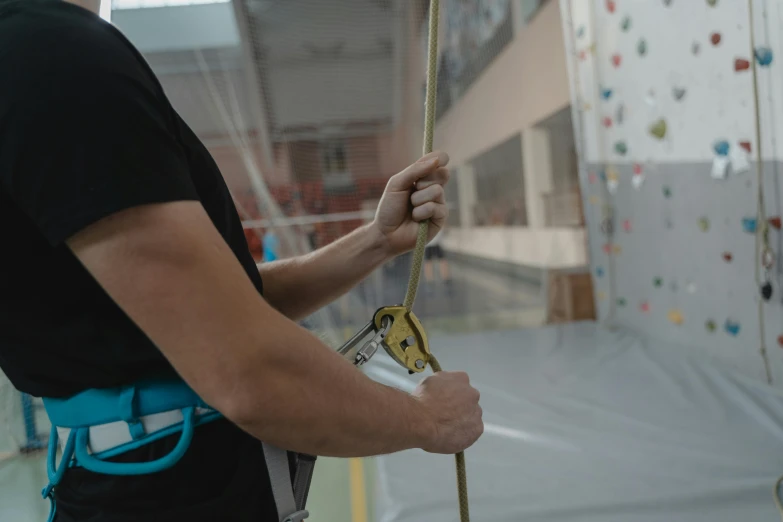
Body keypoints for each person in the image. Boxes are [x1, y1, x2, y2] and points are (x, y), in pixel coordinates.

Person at [0, 1, 484, 521]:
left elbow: (217, 305)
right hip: (174, 493)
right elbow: (246, 370)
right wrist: (427, 419)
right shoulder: (54, 54)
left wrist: (377, 240)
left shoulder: (34, 53)